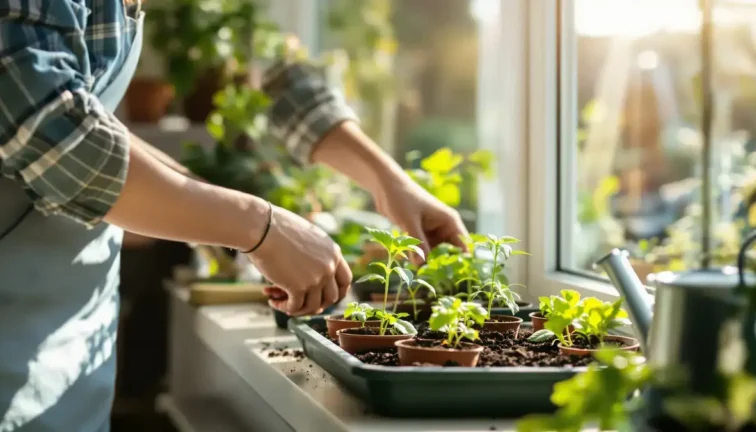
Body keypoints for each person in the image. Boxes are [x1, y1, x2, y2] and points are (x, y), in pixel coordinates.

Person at [0, 1, 468, 431]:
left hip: (67, 351)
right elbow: (54, 132)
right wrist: (258, 226)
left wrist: (390, 183)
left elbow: (277, 78)